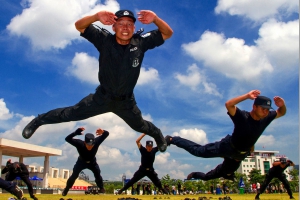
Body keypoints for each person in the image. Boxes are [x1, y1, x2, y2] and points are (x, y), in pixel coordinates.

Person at [22, 9, 173, 153]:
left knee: (140, 126)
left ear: (134, 28)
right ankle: (38, 120)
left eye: (129, 24)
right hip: (101, 98)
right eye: (121, 23)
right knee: (70, 114)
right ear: (113, 27)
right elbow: (79, 26)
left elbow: (167, 33)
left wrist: (155, 19)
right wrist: (96, 17)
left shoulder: (140, 43)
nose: (125, 27)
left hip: (126, 102)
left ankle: (158, 135)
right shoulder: (104, 40)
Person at [165, 90, 286, 181]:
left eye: (267, 109)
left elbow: (281, 112)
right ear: (254, 106)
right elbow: (229, 104)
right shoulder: (243, 117)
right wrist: (247, 96)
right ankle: (173, 139)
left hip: (239, 155)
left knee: (225, 172)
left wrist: (282, 105)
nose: (266, 112)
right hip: (227, 147)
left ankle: (226, 174)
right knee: (199, 151)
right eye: (263, 109)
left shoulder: (267, 118)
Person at [62, 127, 109, 196]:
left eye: (92, 145)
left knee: (97, 174)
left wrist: (103, 131)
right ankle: (66, 189)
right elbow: (67, 139)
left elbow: (106, 134)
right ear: (84, 142)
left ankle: (101, 188)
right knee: (74, 175)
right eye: (88, 145)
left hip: (92, 163)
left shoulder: (96, 142)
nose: (90, 147)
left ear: (94, 142)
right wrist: (75, 133)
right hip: (81, 162)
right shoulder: (79, 143)